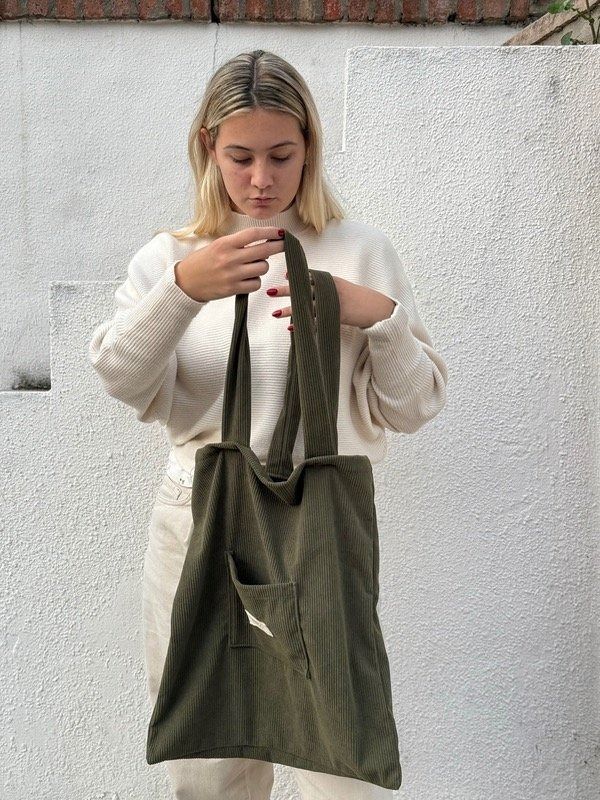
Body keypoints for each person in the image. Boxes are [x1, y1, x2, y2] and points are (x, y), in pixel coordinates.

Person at [88, 49, 448, 800]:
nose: (261, 179)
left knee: (339, 765)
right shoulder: (172, 259)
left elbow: (413, 408)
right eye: (241, 156)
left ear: (308, 148)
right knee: (211, 767)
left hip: (318, 532)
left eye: (281, 156)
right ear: (208, 150)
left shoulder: (359, 251)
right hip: (198, 526)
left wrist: (376, 318)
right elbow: (124, 380)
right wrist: (183, 293)